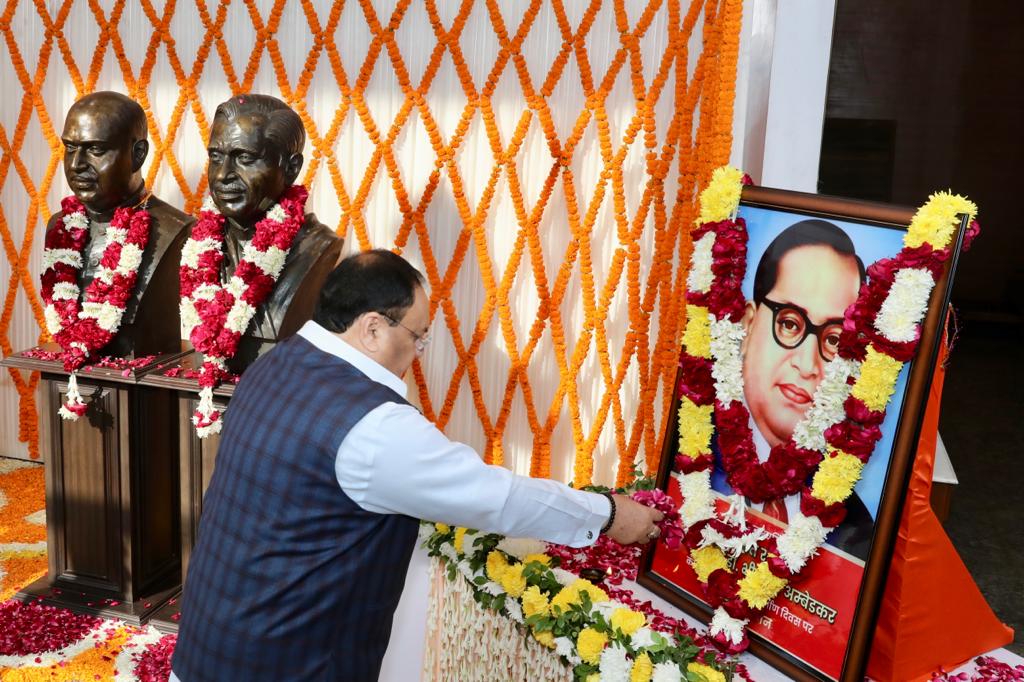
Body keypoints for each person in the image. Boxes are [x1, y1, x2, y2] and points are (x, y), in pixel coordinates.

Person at [169, 250, 664, 682]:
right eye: (419, 336)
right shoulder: (374, 426)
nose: (418, 352)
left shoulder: (278, 362)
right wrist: (609, 514)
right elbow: (497, 498)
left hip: (209, 643)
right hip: (288, 663)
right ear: (371, 327)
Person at [711, 219, 874, 560]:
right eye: (789, 323)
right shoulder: (691, 463)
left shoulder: (854, 528)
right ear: (749, 323)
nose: (808, 364)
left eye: (833, 339)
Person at [202, 94, 343, 369]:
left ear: (291, 168)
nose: (222, 175)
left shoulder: (316, 247)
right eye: (215, 157)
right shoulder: (197, 244)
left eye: (244, 157)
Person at [48, 91, 192, 355]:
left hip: (144, 380)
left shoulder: (174, 228)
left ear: (137, 154)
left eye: (95, 149)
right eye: (70, 148)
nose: (77, 164)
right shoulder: (60, 227)